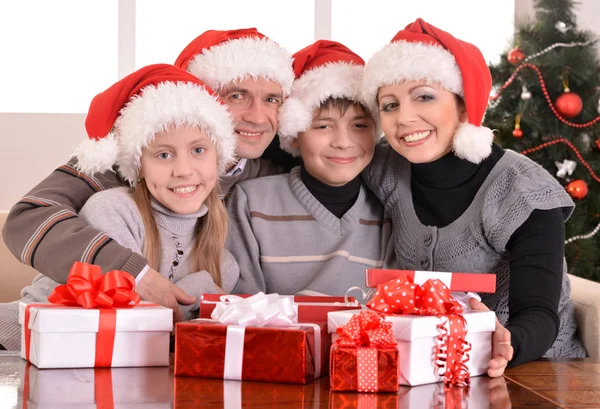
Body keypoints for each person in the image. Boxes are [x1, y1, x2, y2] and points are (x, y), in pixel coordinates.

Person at [2, 28, 295, 322]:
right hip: (60, 321)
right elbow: (27, 220)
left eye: (271, 100)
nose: (258, 117)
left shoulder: (273, 176)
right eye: (237, 95)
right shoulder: (121, 160)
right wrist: (134, 273)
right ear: (198, 97)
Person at [360, 18, 586, 376]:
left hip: (533, 371)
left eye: (424, 96)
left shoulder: (522, 190)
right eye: (389, 105)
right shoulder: (387, 168)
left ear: (464, 105)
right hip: (431, 368)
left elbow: (539, 315)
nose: (404, 118)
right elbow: (310, 153)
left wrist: (507, 343)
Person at [0, 64, 241, 350]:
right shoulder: (113, 209)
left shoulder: (222, 260)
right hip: (14, 341)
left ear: (221, 158)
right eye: (164, 154)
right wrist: (201, 288)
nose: (183, 170)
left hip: (85, 364)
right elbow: (131, 313)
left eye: (198, 150)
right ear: (138, 166)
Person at [228, 40, 394, 296]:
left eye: (360, 126)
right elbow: (242, 307)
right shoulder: (250, 202)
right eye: (323, 126)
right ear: (294, 134)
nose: (342, 143)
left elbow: (394, 307)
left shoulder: (388, 207)